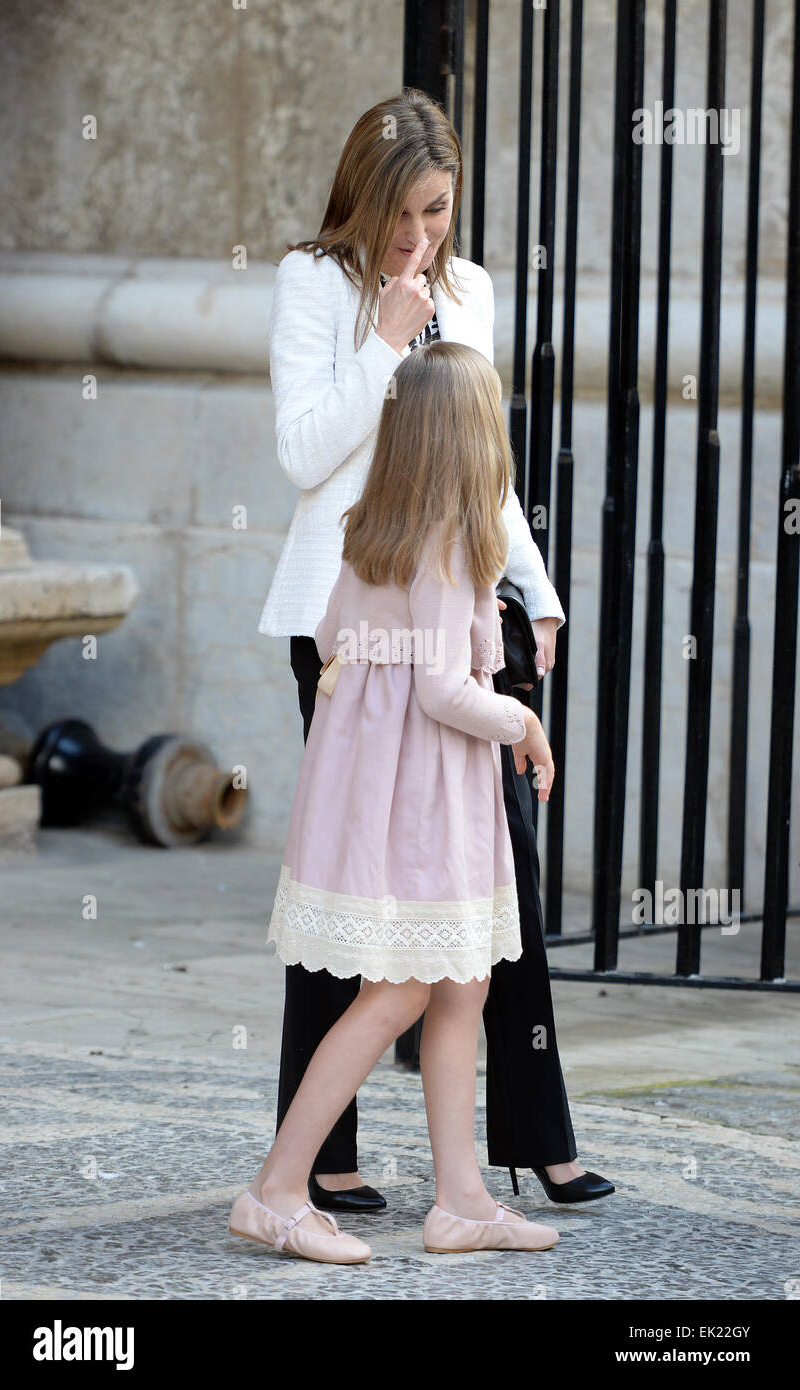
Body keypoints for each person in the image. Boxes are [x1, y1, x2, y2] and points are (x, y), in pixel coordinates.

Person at [257, 87, 614, 1213]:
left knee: (491, 870)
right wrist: (381, 342)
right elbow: (304, 455)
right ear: (361, 204)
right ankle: (322, 1155)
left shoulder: (472, 290)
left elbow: (479, 457)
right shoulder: (313, 282)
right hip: (350, 622)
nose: (418, 241)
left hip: (465, 604)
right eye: (400, 218)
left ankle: (533, 1132)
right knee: (353, 875)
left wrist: (535, 587)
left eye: (438, 214)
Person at [229, 341, 563, 1262]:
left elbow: (337, 638)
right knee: (400, 989)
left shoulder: (368, 525)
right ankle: (276, 1188)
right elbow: (441, 695)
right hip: (425, 795)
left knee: (463, 980)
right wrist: (521, 721)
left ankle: (458, 1200)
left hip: (388, 787)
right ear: (473, 436)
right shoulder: (452, 542)